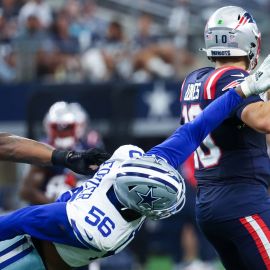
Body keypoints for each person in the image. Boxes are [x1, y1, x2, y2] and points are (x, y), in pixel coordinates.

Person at [0, 56, 270, 269]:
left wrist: (243, 89)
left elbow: (29, 217)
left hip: (37, 251)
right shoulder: (112, 218)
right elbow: (196, 129)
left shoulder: (107, 207)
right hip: (31, 252)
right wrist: (242, 89)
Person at [179, 6, 270, 270]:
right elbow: (263, 120)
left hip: (210, 202)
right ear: (249, 41)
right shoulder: (232, 78)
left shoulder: (193, 80)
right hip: (241, 201)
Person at [20, 101, 104, 204]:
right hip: (54, 206)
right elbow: (27, 191)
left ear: (79, 126)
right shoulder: (44, 149)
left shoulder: (89, 146)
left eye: (68, 128)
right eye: (57, 128)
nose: (63, 133)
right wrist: (57, 208)